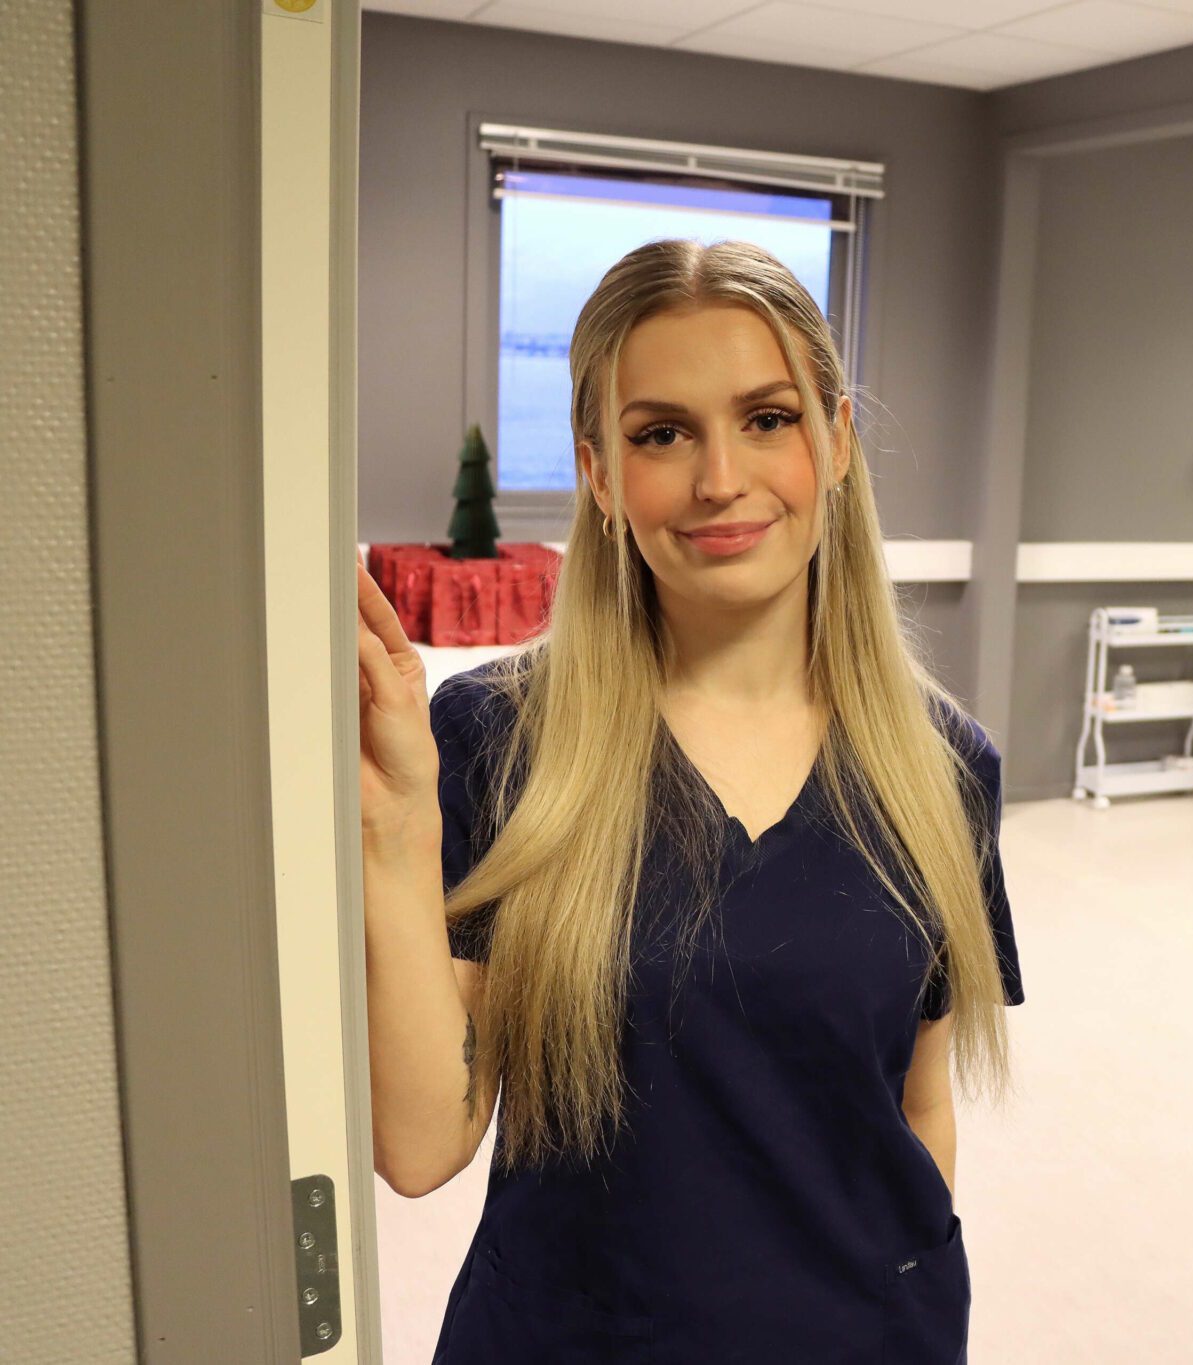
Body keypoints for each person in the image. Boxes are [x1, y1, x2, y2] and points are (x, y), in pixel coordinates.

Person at [355, 238, 1024, 1364]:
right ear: (599, 474)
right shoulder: (499, 741)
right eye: (661, 433)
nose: (720, 477)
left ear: (837, 441)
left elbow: (917, 1106)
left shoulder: (939, 767)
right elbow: (422, 1147)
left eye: (767, 418)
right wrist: (391, 829)